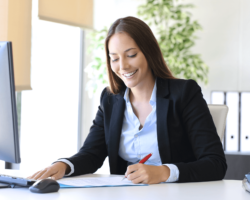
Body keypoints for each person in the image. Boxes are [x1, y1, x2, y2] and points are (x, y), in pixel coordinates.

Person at [28, 16, 227, 184]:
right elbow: (92, 154)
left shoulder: (184, 93)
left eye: (131, 55)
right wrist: (64, 165)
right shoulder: (110, 100)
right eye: (114, 58)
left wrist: (164, 172)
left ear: (148, 52)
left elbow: (215, 163)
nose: (122, 66)